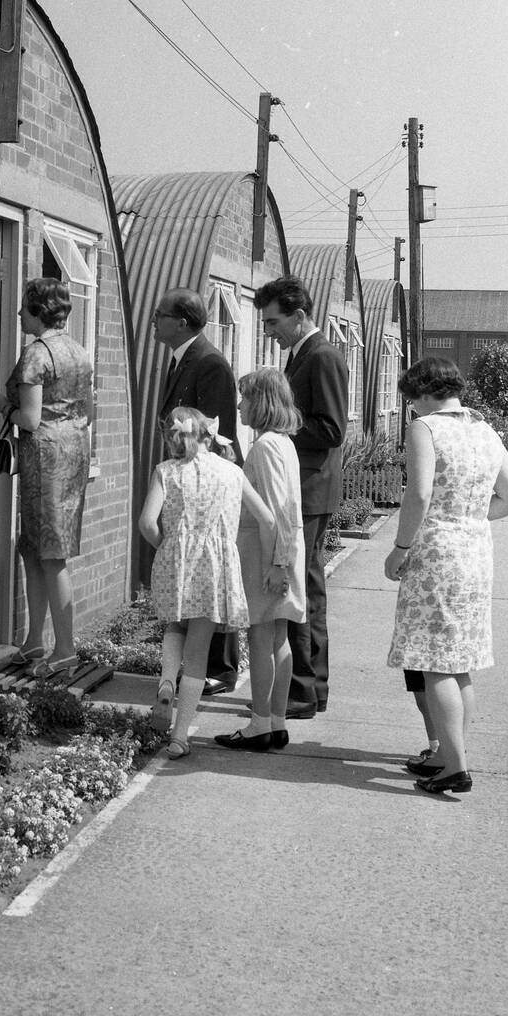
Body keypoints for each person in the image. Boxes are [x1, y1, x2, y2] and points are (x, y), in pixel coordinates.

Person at [384, 356, 508, 795]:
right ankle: (449, 754)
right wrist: (468, 516)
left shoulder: (426, 428)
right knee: (459, 662)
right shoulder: (484, 430)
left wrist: (400, 548)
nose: (412, 407)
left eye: (413, 398)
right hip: (476, 552)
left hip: (435, 555)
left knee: (432, 662)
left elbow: (420, 493)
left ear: (426, 393)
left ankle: (455, 767)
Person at [140, 408, 276, 759]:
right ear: (208, 435)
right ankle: (180, 736)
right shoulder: (231, 471)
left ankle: (167, 680)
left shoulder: (166, 471)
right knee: (198, 655)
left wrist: (168, 547)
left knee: (175, 623)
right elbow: (265, 517)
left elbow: (146, 523)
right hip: (216, 569)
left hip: (176, 561)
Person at [0, 277, 94, 677]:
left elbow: (29, 419)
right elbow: (87, 413)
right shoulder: (78, 351)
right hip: (73, 451)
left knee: (49, 554)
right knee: (35, 550)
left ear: (37, 310)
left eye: (23, 307)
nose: (18, 314)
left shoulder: (36, 354)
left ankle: (64, 648)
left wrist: (3, 406)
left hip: (45, 458)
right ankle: (34, 641)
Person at [254, 277, 348, 719]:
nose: (268, 330)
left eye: (273, 321)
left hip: (309, 490)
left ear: (298, 314)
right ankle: (309, 688)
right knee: (305, 587)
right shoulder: (300, 354)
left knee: (301, 589)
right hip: (303, 486)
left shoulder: (322, 356)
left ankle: (305, 690)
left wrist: (278, 424)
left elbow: (331, 431)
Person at [152, 286, 243, 696]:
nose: (155, 320)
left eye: (161, 314)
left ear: (182, 322)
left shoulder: (209, 364)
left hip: (207, 484)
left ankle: (220, 668)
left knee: (210, 569)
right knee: (199, 579)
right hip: (189, 478)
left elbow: (216, 433)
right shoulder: (181, 358)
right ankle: (201, 665)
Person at [214, 367, 307, 753]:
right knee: (278, 639)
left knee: (261, 637)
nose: (239, 405)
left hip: (267, 553)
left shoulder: (266, 446)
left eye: (245, 398)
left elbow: (276, 509)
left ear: (262, 402)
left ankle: (260, 725)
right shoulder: (281, 442)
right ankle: (276, 721)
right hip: (282, 551)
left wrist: (276, 565)